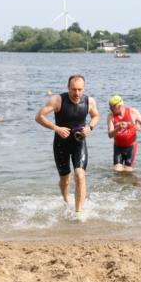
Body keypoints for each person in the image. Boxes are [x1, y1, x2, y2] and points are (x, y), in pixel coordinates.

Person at [34, 75, 100, 216]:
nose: (77, 93)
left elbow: (96, 116)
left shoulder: (89, 101)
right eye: (74, 89)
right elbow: (39, 117)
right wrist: (56, 128)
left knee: (80, 174)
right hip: (61, 144)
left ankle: (78, 212)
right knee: (65, 178)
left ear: (84, 88)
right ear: (68, 88)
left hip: (79, 142)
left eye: (80, 89)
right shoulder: (57, 100)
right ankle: (65, 201)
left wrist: (90, 127)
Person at [107, 94, 141, 172]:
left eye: (112, 107)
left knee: (128, 170)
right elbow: (110, 135)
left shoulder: (133, 112)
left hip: (131, 147)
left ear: (119, 106)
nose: (110, 109)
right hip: (118, 147)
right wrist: (118, 128)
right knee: (117, 169)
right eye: (109, 106)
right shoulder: (111, 116)